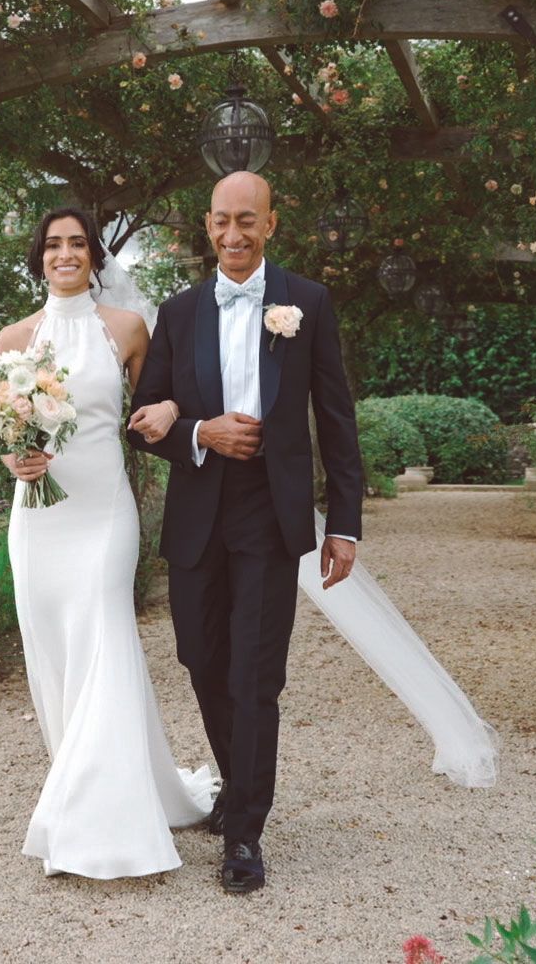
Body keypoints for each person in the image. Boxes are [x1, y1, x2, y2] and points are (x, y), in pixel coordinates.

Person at [123, 171, 365, 894]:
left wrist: (344, 524)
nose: (234, 235)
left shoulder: (309, 304)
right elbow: (144, 420)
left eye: (248, 221)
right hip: (198, 510)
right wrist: (198, 428)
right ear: (207, 226)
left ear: (271, 224)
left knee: (256, 673)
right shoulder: (179, 311)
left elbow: (336, 419)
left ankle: (245, 832)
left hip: (270, 510)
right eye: (223, 222)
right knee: (201, 658)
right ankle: (237, 780)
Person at [0, 206, 216, 879]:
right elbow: (5, 431)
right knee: (59, 658)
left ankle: (103, 826)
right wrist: (13, 460)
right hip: (38, 518)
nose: (66, 254)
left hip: (103, 513)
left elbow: (156, 406)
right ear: (39, 257)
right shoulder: (12, 337)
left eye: (79, 244)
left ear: (94, 256)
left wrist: (174, 409)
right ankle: (83, 791)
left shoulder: (127, 328)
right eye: (54, 244)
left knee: (104, 642)